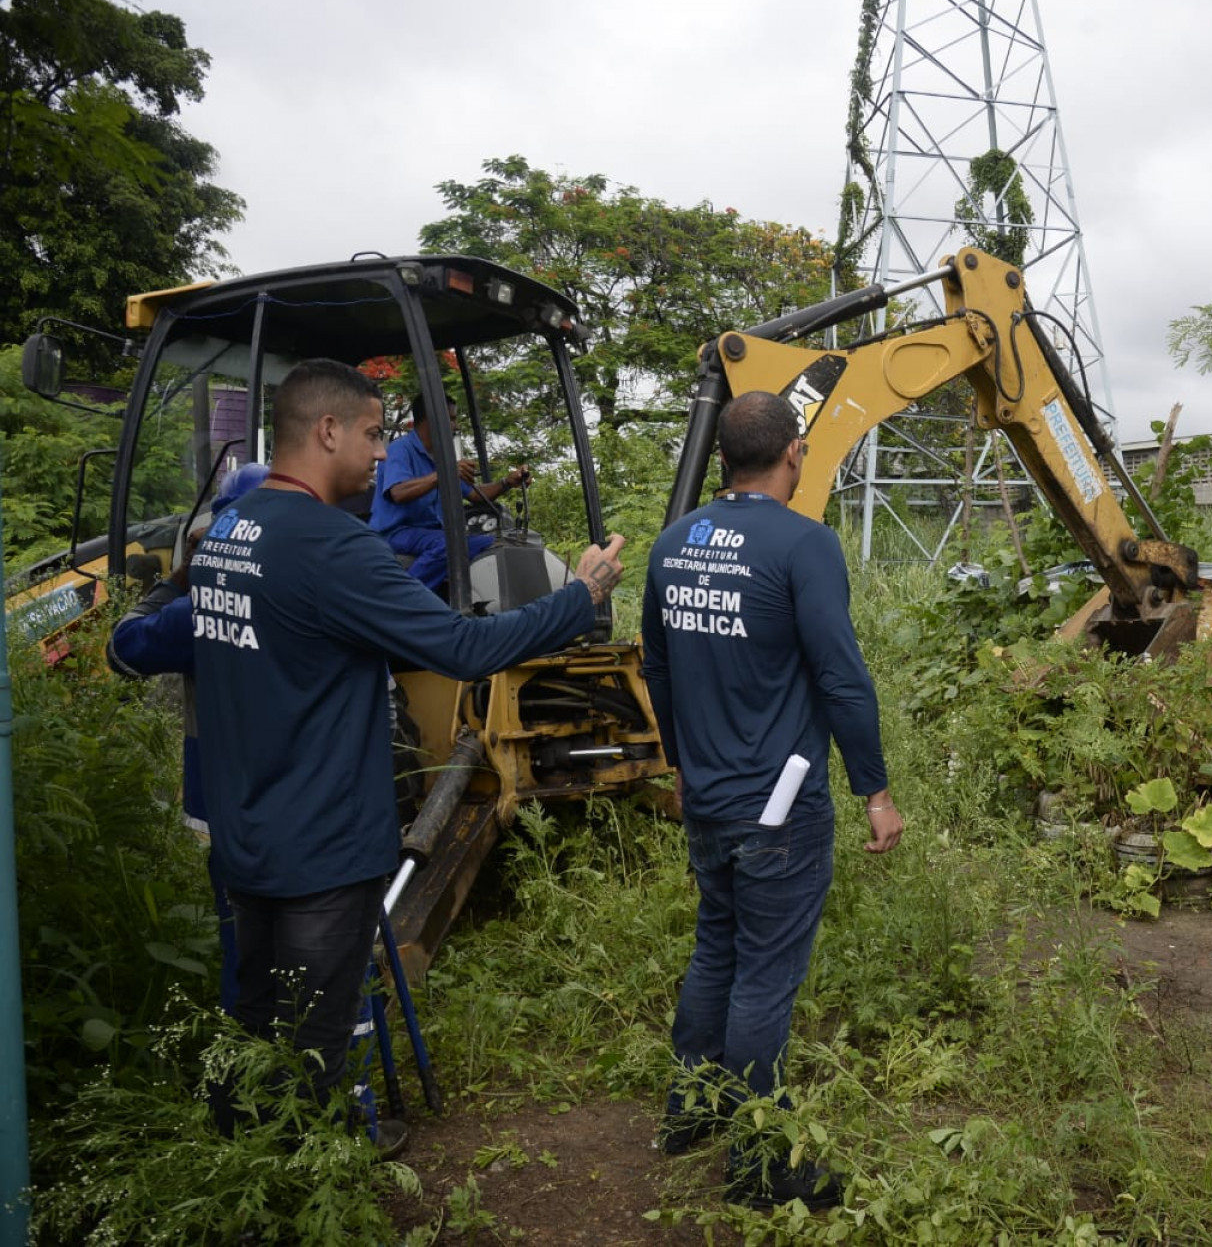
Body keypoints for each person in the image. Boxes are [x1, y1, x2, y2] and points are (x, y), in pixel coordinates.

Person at [191, 358, 626, 1142]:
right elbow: (462, 647)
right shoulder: (334, 545)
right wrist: (580, 596)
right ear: (326, 431)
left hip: (246, 831)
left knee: (255, 1016)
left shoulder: (230, 531)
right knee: (319, 1042)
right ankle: (310, 1192)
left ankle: (241, 1166)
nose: (378, 451)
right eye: (370, 433)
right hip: (322, 844)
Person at [640, 389, 903, 1211]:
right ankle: (760, 1161)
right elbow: (841, 677)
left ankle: (691, 1109)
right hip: (780, 812)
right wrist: (876, 791)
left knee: (717, 947)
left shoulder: (674, 541)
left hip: (710, 801)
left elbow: (656, 663)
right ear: (793, 453)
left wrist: (681, 764)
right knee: (762, 977)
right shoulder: (804, 544)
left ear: (724, 457)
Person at [108, 461, 271, 1016]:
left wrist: (179, 578)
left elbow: (122, 649)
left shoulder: (196, 611)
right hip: (314, 809)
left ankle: (253, 1070)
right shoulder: (320, 589)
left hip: (227, 807)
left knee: (245, 953)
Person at [370, 392, 530, 591]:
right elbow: (398, 492)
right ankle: (401, 599)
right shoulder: (400, 449)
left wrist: (507, 482)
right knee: (454, 545)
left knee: (488, 541)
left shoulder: (440, 458)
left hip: (430, 534)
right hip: (396, 533)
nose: (456, 426)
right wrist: (445, 472)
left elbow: (474, 494)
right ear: (433, 418)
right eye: (452, 419)